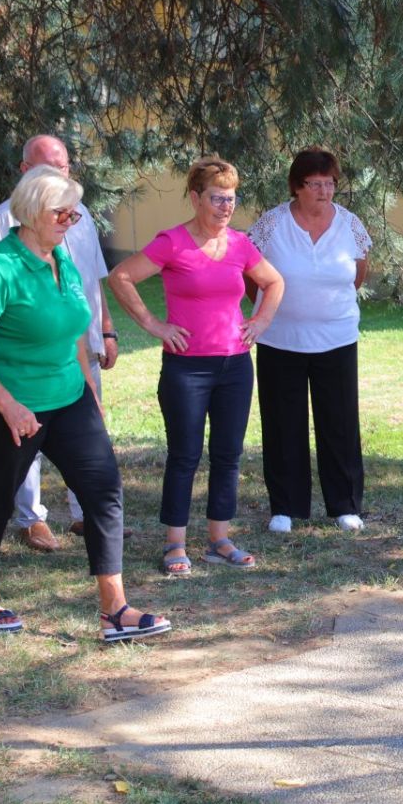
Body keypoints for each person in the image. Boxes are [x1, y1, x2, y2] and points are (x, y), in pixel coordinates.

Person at [0, 166, 169, 641]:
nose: (71, 220)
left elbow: (72, 335)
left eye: (74, 212)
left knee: (103, 491)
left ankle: (115, 610)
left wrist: (90, 395)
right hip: (7, 405)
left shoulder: (60, 258)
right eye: (61, 212)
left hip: (69, 397)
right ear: (29, 213)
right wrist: (7, 404)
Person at [108, 157, 284, 576]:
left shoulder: (240, 244)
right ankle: (175, 544)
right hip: (187, 370)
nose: (226, 207)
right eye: (217, 198)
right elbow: (121, 277)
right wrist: (154, 325)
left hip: (235, 366)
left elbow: (275, 282)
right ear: (195, 197)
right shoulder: (173, 242)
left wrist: (259, 322)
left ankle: (219, 539)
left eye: (231, 199)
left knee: (228, 455)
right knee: (184, 456)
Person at [0, 134, 123, 552]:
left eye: (62, 166)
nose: (57, 173)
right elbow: (3, 292)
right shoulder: (5, 218)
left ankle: (85, 515)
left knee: (86, 433)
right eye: (46, 167)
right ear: (25, 171)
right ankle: (31, 519)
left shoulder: (80, 215)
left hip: (79, 344)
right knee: (29, 435)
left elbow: (93, 278)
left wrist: (107, 329)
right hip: (32, 354)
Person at [247, 148, 372, 534]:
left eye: (330, 183)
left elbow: (358, 273)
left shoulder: (350, 225)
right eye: (315, 183)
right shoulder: (271, 224)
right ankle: (286, 507)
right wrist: (269, 310)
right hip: (280, 340)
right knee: (283, 423)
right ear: (296, 187)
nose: (324, 191)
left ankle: (345, 505)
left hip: (336, 337)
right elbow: (250, 272)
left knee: (340, 422)